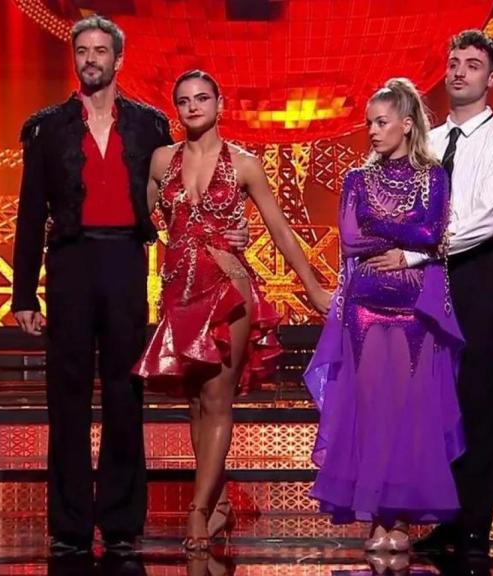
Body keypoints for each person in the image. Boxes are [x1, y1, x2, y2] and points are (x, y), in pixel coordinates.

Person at [11, 16, 249, 557]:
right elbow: (29, 216)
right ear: (74, 59)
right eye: (82, 50)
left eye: (101, 50)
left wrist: (233, 227)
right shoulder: (46, 128)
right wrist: (24, 294)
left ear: (119, 60)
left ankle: (120, 522)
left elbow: (184, 192)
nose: (91, 58)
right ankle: (69, 526)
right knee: (66, 396)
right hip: (69, 263)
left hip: (124, 259)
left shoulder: (147, 125)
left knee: (124, 392)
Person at [133, 69, 332, 553]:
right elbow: (137, 224)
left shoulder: (245, 164)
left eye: (203, 98)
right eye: (184, 100)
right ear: (175, 108)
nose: (193, 106)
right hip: (180, 293)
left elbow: (281, 231)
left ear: (220, 104)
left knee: (218, 400)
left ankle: (197, 512)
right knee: (195, 403)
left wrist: (314, 289)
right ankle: (217, 502)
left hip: (229, 288)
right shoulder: (161, 161)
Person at [304, 78, 465, 552]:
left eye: (381, 122)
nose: (372, 131)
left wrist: (390, 229)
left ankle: (403, 521)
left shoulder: (434, 177)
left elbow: (433, 230)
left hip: (415, 311)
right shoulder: (357, 178)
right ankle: (375, 517)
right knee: (373, 412)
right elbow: (353, 238)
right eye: (369, 123)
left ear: (407, 124)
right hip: (365, 311)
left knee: (408, 413)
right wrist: (404, 234)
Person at [399, 30, 493, 557]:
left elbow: (485, 221)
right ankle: (444, 517)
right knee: (431, 399)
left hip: (475, 273)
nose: (458, 72)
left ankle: (475, 524)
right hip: (422, 278)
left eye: (472, 65)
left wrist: (415, 250)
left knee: (479, 397)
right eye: (453, 62)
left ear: (491, 77)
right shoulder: (422, 143)